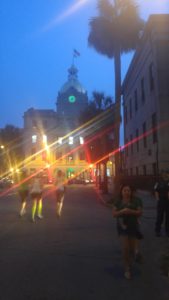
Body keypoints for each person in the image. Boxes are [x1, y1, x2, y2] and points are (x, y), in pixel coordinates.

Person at [112, 184, 143, 279]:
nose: (126, 192)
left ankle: (134, 257)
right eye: (124, 190)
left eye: (128, 190)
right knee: (125, 249)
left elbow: (140, 212)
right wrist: (122, 211)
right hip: (123, 228)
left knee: (132, 249)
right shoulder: (118, 201)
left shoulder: (136, 200)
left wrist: (129, 211)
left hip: (133, 227)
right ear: (121, 191)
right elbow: (114, 214)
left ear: (131, 191)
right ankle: (127, 269)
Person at [154, 169, 169, 237]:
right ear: (162, 174)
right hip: (161, 201)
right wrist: (158, 199)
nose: (165, 174)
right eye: (164, 173)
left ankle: (167, 231)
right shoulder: (158, 182)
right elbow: (156, 191)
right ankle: (157, 231)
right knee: (160, 216)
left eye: (167, 173)